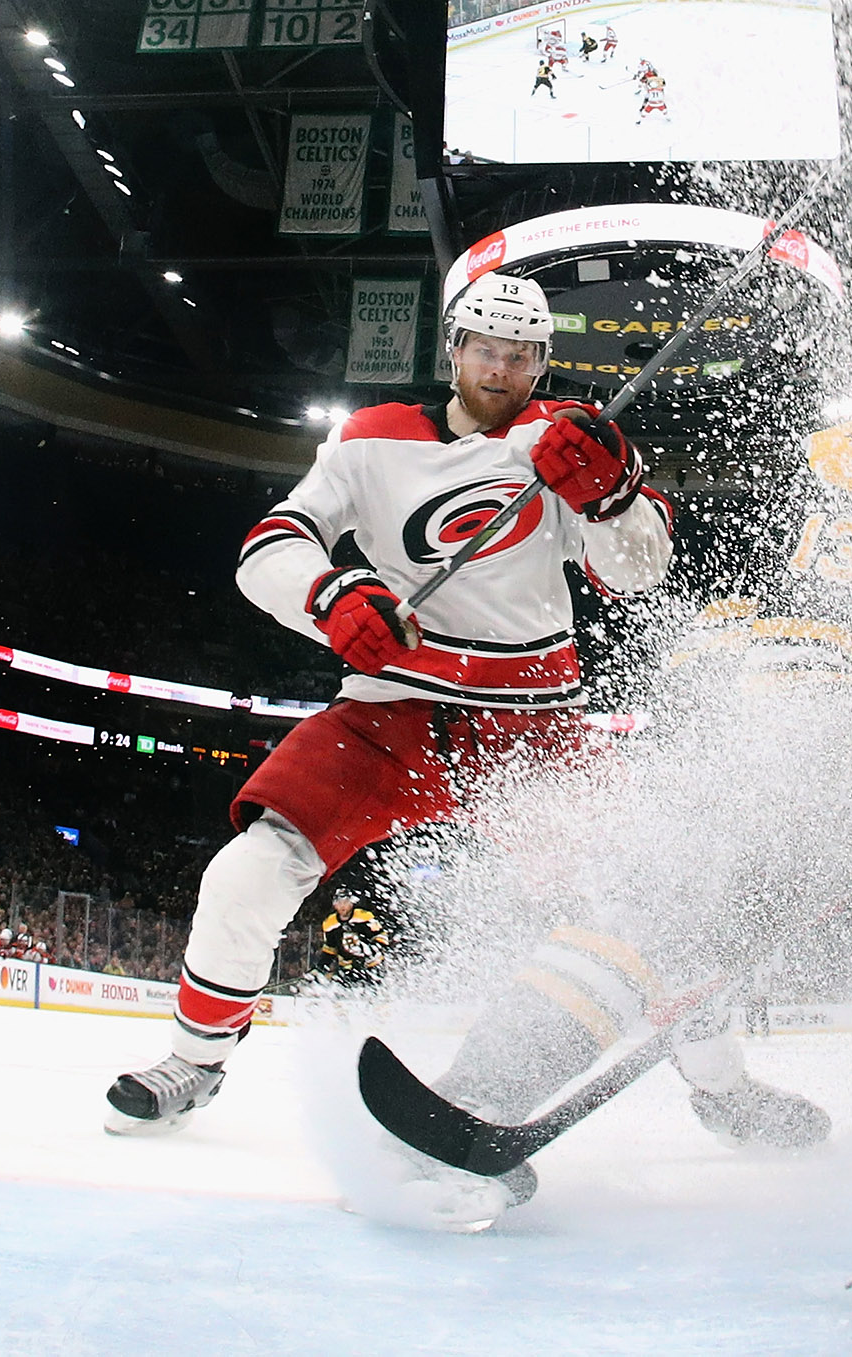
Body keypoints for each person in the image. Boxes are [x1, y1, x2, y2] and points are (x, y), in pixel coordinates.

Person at [104, 270, 672, 1136]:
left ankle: (720, 1083)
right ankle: (195, 1060)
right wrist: (332, 599)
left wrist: (614, 492)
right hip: (392, 710)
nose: (502, 368)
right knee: (248, 872)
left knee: (644, 902)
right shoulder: (369, 439)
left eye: (521, 355)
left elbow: (640, 573)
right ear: (454, 349)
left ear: (543, 362)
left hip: (533, 728)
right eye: (486, 348)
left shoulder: (569, 440)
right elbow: (269, 548)